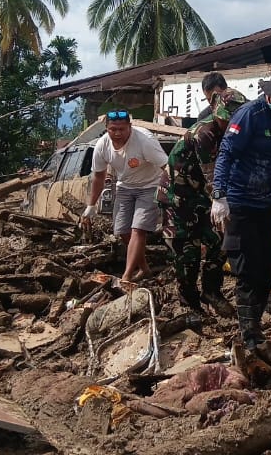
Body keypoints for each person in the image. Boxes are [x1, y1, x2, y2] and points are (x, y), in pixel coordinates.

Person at [211, 67, 271, 365]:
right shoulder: (249, 115)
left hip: (264, 204)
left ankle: (255, 325)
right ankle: (249, 334)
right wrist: (219, 196)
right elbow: (227, 153)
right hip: (239, 204)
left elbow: (263, 155)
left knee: (269, 266)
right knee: (247, 270)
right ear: (268, 94)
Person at [164, 87, 247, 315]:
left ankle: (211, 291)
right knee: (186, 251)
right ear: (216, 112)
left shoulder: (235, 131)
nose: (229, 122)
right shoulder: (205, 133)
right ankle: (189, 303)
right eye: (226, 118)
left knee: (220, 243)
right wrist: (225, 202)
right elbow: (213, 177)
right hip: (179, 196)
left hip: (203, 195)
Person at [84, 110, 170, 291]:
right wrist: (91, 206)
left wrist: (168, 191)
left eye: (122, 129)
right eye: (112, 129)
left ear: (130, 127)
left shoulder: (144, 141)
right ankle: (145, 269)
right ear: (106, 128)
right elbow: (98, 176)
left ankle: (126, 276)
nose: (117, 133)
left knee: (138, 229)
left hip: (150, 185)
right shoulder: (102, 146)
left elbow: (167, 167)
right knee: (123, 231)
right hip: (125, 186)